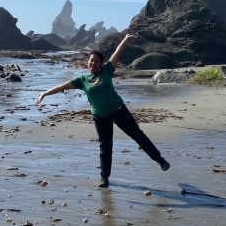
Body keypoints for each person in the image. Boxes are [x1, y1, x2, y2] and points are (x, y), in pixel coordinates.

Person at [35, 34, 170, 187]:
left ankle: (160, 160)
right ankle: (104, 178)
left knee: (137, 135)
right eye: (91, 60)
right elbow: (62, 87)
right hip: (100, 116)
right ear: (88, 62)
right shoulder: (82, 79)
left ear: (101, 64)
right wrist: (45, 93)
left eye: (97, 61)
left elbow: (117, 53)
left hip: (119, 110)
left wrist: (126, 39)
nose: (93, 63)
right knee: (105, 147)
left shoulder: (106, 71)